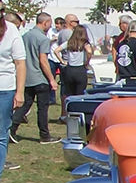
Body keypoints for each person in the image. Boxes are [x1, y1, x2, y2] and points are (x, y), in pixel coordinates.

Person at [13, 12, 59, 142]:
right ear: (45, 23)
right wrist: (51, 79)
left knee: (25, 105)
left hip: (27, 76)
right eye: (50, 23)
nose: (51, 26)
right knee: (42, 108)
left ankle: (12, 129)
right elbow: (43, 61)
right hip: (40, 77)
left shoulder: (25, 36)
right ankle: (44, 135)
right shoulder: (43, 39)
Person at [1, 10, 25, 161]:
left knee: (1, 133)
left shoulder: (11, 31)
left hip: (4, 88)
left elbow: (20, 63)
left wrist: (20, 92)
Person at [58, 24, 94, 105]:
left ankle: (69, 112)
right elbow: (89, 51)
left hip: (70, 69)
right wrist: (87, 61)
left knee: (69, 94)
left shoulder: (69, 42)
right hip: (80, 69)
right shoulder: (84, 43)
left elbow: (56, 50)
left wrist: (62, 61)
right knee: (80, 94)